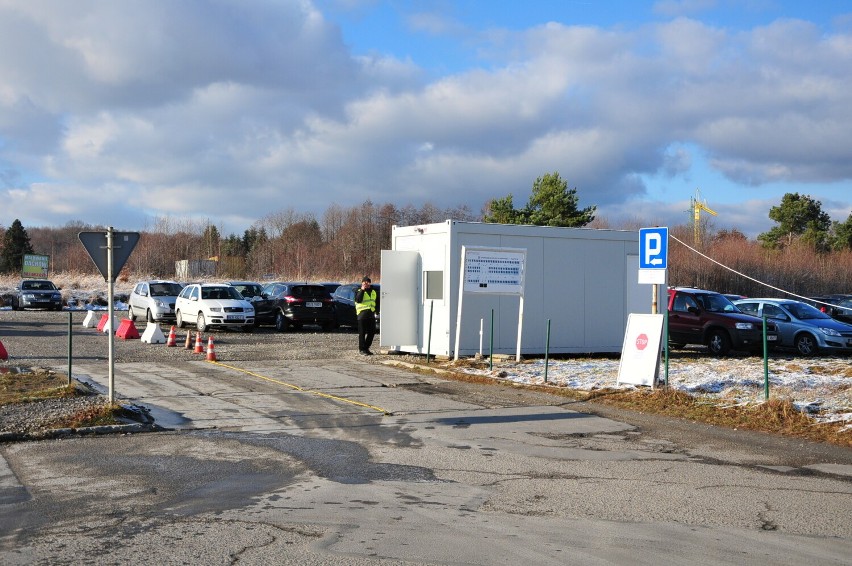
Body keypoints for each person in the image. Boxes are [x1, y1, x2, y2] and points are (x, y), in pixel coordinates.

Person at [354, 276, 379, 355]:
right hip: (362, 315)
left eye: (368, 282)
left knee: (372, 332)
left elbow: (376, 302)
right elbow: (358, 300)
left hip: (371, 314)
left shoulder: (373, 292)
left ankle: (366, 348)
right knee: (362, 333)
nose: (367, 284)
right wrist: (362, 289)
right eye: (365, 282)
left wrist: (377, 311)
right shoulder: (358, 291)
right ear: (362, 283)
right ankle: (362, 349)